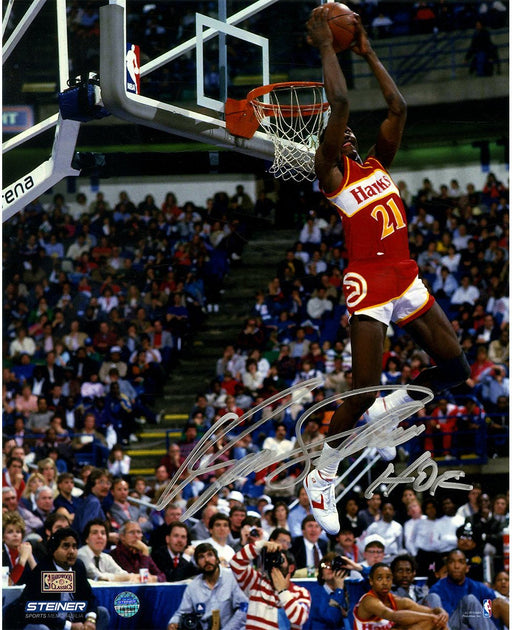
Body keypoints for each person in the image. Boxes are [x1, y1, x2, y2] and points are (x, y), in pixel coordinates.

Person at [303, 7, 470, 535]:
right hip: (368, 280)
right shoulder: (331, 173)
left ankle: (393, 407)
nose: (349, 133)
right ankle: (323, 469)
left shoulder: (376, 166)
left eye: (353, 132)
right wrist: (328, 46)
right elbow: (341, 103)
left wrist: (368, 51)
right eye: (341, 132)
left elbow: (398, 107)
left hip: (403, 273)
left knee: (456, 370)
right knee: (363, 386)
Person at [6, 526, 110, 630]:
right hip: (48, 624)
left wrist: (90, 620)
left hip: (74, 620)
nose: (72, 551)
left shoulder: (78, 566)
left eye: (74, 547)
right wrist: (69, 626)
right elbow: (35, 611)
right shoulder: (44, 570)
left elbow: (89, 597)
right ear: (53, 550)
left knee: (102, 613)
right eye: (66, 546)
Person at [230, 531, 311, 629]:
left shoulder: (301, 593)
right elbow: (235, 563)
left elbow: (299, 619)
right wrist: (260, 545)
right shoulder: (256, 582)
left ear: (291, 568)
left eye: (280, 560)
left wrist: (282, 591)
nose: (275, 563)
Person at [167, 542, 248, 630]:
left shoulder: (233, 578)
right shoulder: (193, 587)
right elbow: (182, 613)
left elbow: (243, 609)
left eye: (210, 555)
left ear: (217, 559)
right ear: (197, 564)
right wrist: (173, 623)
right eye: (201, 557)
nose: (207, 560)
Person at [429, 549, 509, 630]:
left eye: (461, 562)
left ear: (467, 568)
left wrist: (481, 619)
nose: (456, 566)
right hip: (453, 626)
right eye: (452, 562)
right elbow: (446, 620)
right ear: (447, 566)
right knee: (469, 600)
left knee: (500, 603)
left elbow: (488, 613)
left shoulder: (479, 587)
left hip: (480, 626)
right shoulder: (437, 589)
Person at [353, 563, 449, 629]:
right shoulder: (369, 601)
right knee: (433, 620)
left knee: (436, 623)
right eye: (379, 578)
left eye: (388, 578)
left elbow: (432, 611)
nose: (385, 582)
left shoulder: (398, 600)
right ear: (371, 581)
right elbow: (395, 616)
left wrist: (441, 612)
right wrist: (432, 617)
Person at [76, 518, 138, 582]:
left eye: (103, 533)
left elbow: (124, 574)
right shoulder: (81, 555)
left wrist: (129, 577)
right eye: (95, 533)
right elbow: (98, 576)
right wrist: (123, 578)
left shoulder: (106, 557)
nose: (100, 536)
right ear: (86, 539)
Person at [303, 551, 349, 630]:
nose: (330, 568)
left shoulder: (351, 590)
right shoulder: (315, 594)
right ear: (322, 576)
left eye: (334, 566)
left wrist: (357, 568)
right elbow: (331, 618)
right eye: (326, 566)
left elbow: (371, 580)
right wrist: (339, 590)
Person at [2, 511, 37, 585]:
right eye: (10, 532)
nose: (15, 535)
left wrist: (30, 556)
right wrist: (22, 560)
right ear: (2, 537)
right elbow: (7, 584)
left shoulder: (25, 549)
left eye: (18, 532)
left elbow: (41, 581)